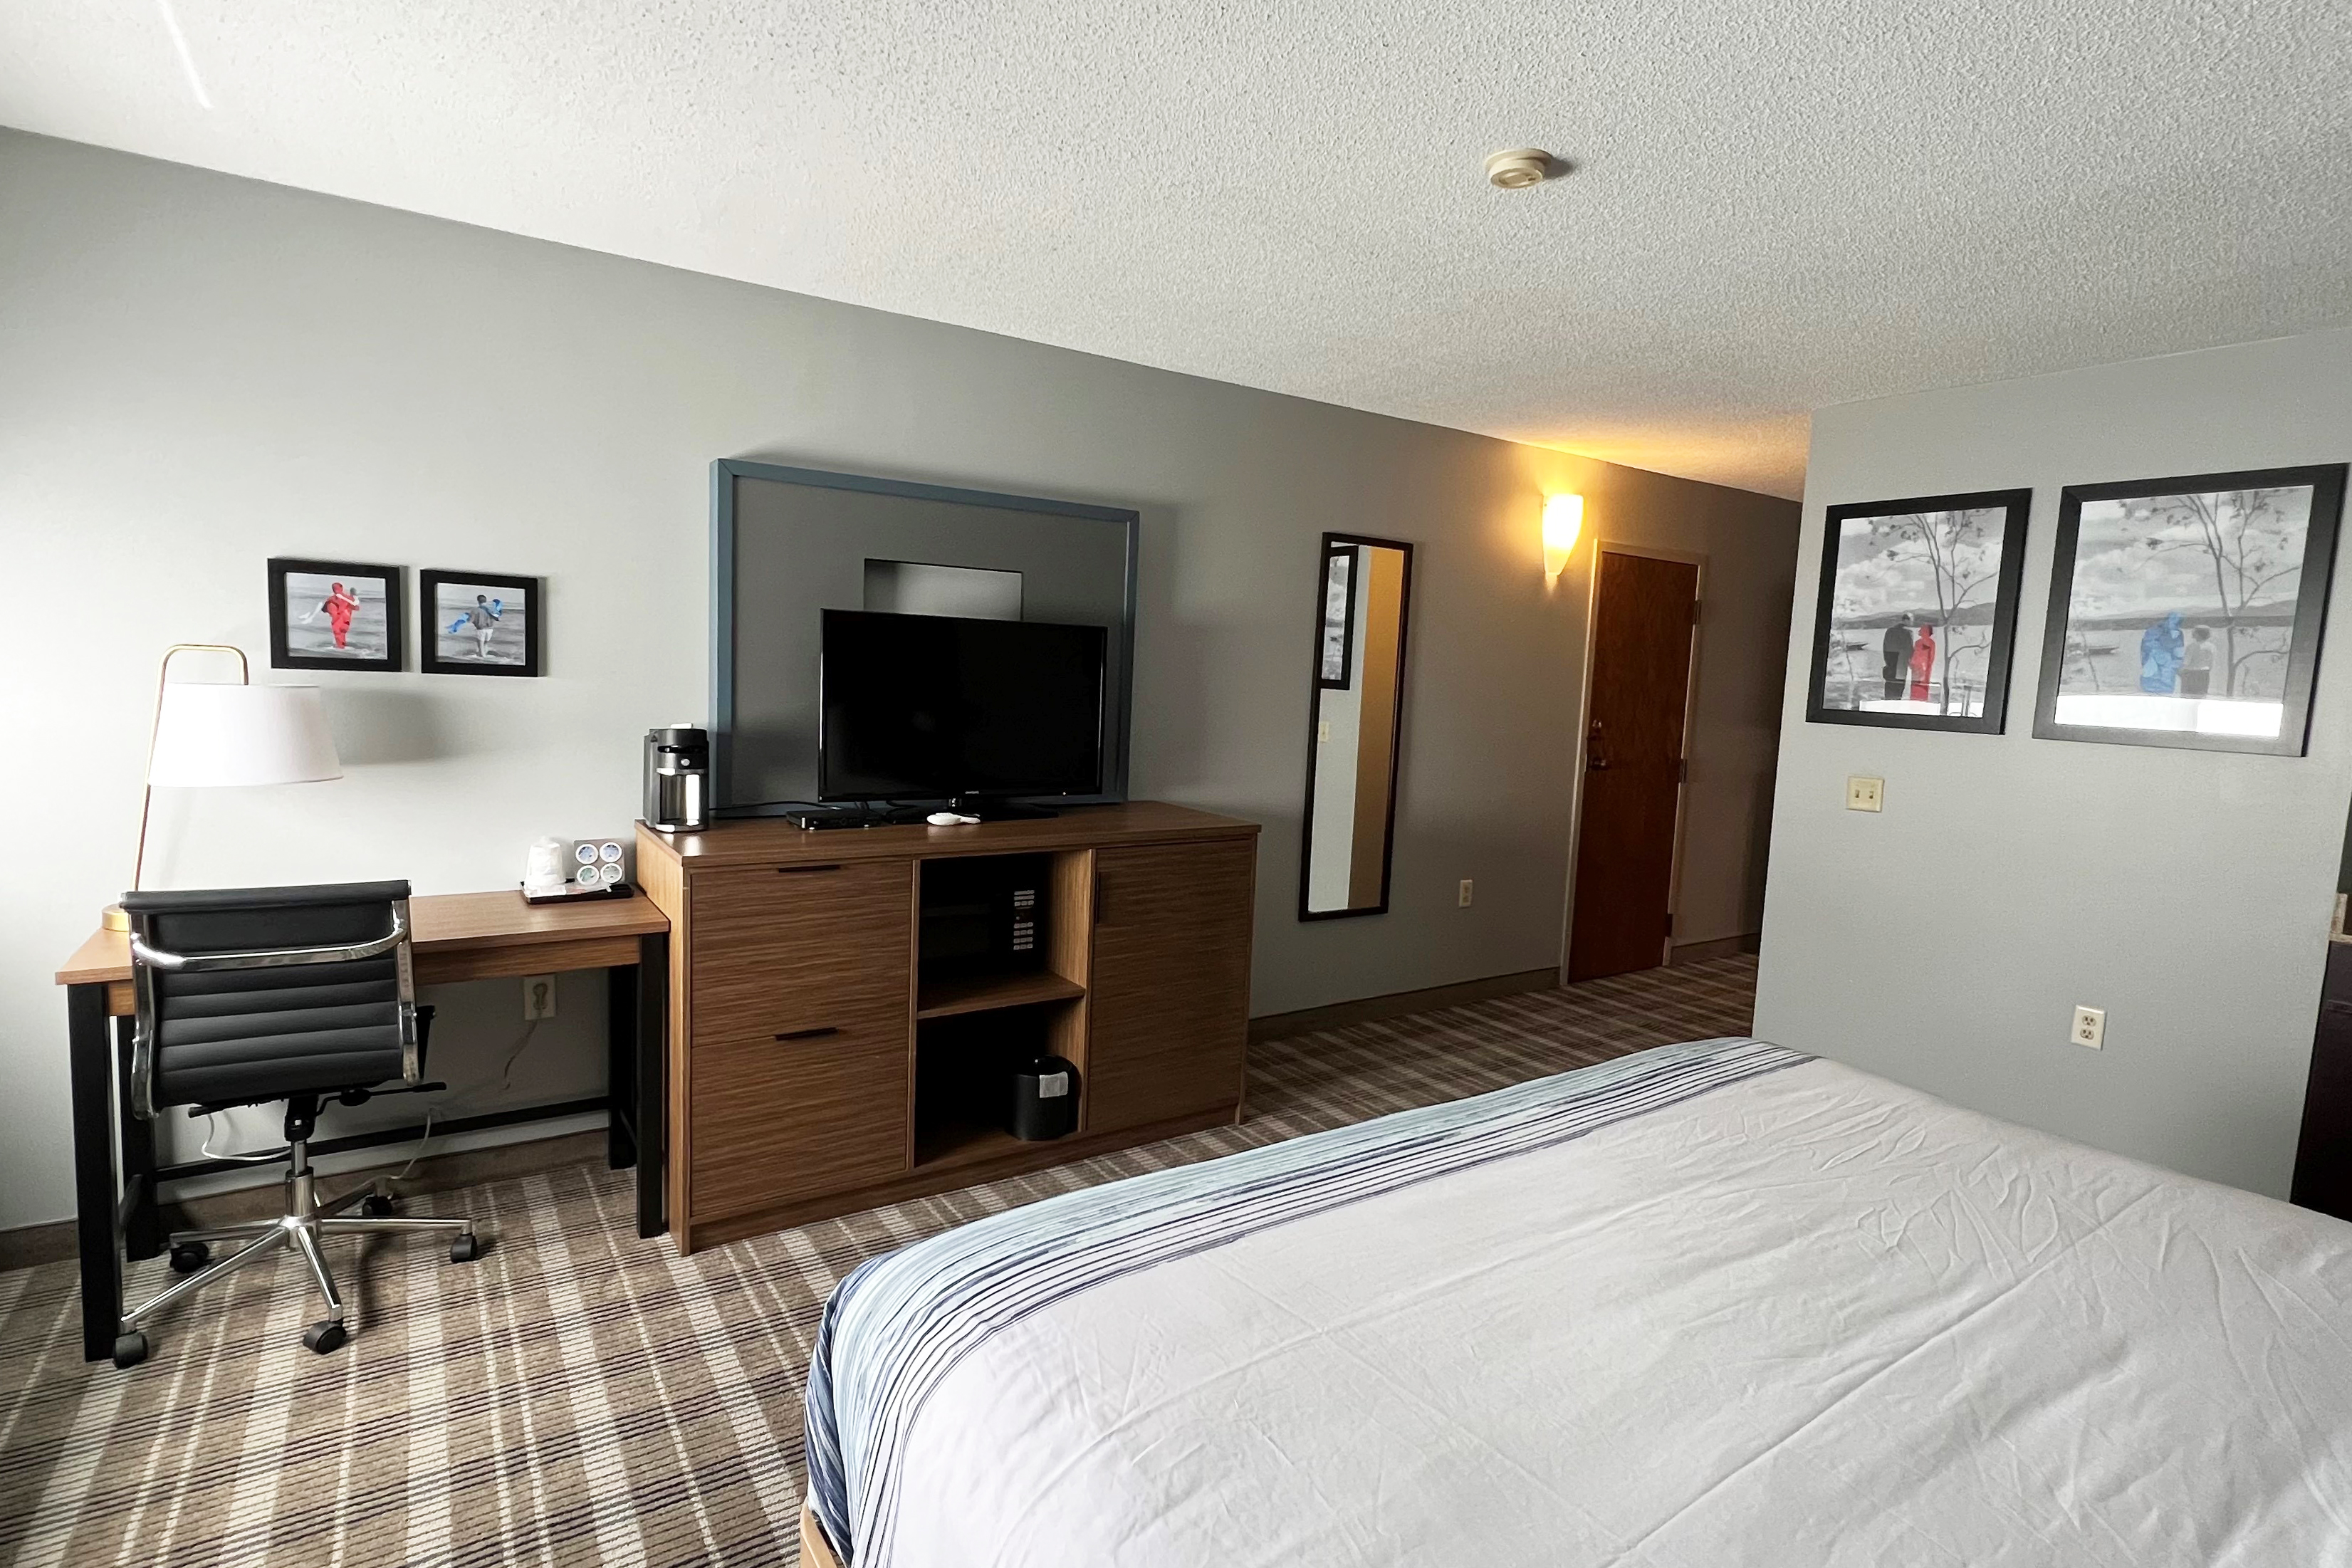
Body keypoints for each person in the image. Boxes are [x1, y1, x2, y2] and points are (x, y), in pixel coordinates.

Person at [2140, 611, 2184, 694]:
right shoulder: (2153, 632)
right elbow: (2145, 649)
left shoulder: (2177, 633)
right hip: (2155, 667)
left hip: (2163, 669)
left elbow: (2179, 652)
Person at [313, 581, 359, 651]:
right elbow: (356, 608)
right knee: (343, 636)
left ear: (333, 589)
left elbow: (324, 610)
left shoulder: (331, 599)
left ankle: (340, 651)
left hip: (337, 621)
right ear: (342, 588)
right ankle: (343, 650)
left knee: (338, 637)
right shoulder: (349, 598)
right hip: (346, 621)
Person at [1881, 615, 1914, 702]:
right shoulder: (1908, 632)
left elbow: (1885, 647)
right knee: (1899, 686)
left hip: (1890, 662)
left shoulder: (1889, 631)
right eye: (1911, 620)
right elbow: (1910, 650)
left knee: (1890, 685)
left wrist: (1887, 661)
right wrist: (1911, 662)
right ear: (1906, 620)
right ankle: (1897, 702)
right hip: (1901, 663)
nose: (1912, 623)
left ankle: (1888, 701)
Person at [2181, 624, 2216, 698]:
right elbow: (2211, 662)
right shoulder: (2212, 646)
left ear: (2198, 634)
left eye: (2194, 632)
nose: (2192, 633)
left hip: (2191, 674)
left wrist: (2180, 670)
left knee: (2187, 696)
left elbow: (2186, 662)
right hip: (2204, 674)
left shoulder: (2192, 646)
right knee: (2201, 696)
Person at [464, 593, 503, 659]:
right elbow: (498, 619)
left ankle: (482, 657)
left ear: (478, 601)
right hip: (490, 629)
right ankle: (483, 654)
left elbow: (470, 621)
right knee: (485, 644)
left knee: (481, 645)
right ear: (486, 601)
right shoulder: (491, 610)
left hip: (481, 629)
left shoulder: (475, 610)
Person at [1908, 622, 1937, 703]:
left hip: (1924, 669)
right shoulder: (1918, 643)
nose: (1920, 631)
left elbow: (1931, 657)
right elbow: (1914, 654)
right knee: (1915, 685)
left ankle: (1922, 700)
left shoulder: (1931, 643)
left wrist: (1927, 667)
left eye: (1922, 630)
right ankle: (1914, 699)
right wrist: (1912, 663)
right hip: (1916, 667)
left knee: (1922, 685)